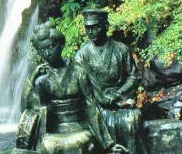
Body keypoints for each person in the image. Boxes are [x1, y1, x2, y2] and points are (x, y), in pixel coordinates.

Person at [16, 21, 127, 153]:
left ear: (61, 45)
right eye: (42, 50)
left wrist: (108, 143)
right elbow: (27, 108)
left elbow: (91, 107)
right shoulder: (41, 79)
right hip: (54, 129)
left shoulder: (78, 72)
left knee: (80, 144)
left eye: (51, 47)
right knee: (49, 146)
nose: (47, 53)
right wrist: (31, 78)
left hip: (80, 126)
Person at [74, 9, 143, 153]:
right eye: (88, 28)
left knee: (130, 121)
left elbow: (134, 76)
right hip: (95, 103)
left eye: (95, 27)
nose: (91, 32)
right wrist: (101, 99)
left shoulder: (121, 49)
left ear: (106, 25)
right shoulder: (81, 56)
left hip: (119, 100)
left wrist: (118, 94)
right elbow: (84, 90)